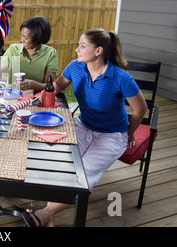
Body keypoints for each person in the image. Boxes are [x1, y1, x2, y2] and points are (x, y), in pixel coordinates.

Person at [27, 28, 147, 227]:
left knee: (83, 176)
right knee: (59, 163)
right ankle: (49, 215)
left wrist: (130, 133)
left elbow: (140, 109)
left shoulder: (121, 77)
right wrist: (35, 88)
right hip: (83, 125)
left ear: (98, 51)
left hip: (112, 135)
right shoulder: (75, 67)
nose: (76, 50)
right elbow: (56, 88)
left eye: (83, 46)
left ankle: (45, 213)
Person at [1, 16, 58, 91]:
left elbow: (49, 85)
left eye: (26, 38)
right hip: (11, 95)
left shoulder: (50, 53)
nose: (22, 40)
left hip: (35, 98)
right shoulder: (13, 49)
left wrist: (32, 84)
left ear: (38, 38)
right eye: (21, 36)